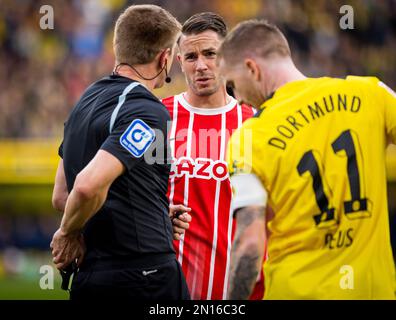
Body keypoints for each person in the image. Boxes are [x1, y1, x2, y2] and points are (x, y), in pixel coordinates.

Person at [218, 19, 396, 299]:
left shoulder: (251, 136)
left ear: (252, 68)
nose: (237, 99)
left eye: (232, 86)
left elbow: (250, 244)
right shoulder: (369, 94)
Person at [50, 4, 190, 300]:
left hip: (90, 277)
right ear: (164, 57)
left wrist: (148, 211)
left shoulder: (83, 103)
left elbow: (62, 195)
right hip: (143, 275)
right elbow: (86, 187)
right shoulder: (148, 111)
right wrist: (67, 233)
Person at [162, 12, 265, 300]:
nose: (202, 65)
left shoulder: (257, 124)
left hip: (244, 293)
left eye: (210, 54)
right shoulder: (157, 117)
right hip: (172, 292)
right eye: (191, 57)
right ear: (179, 61)